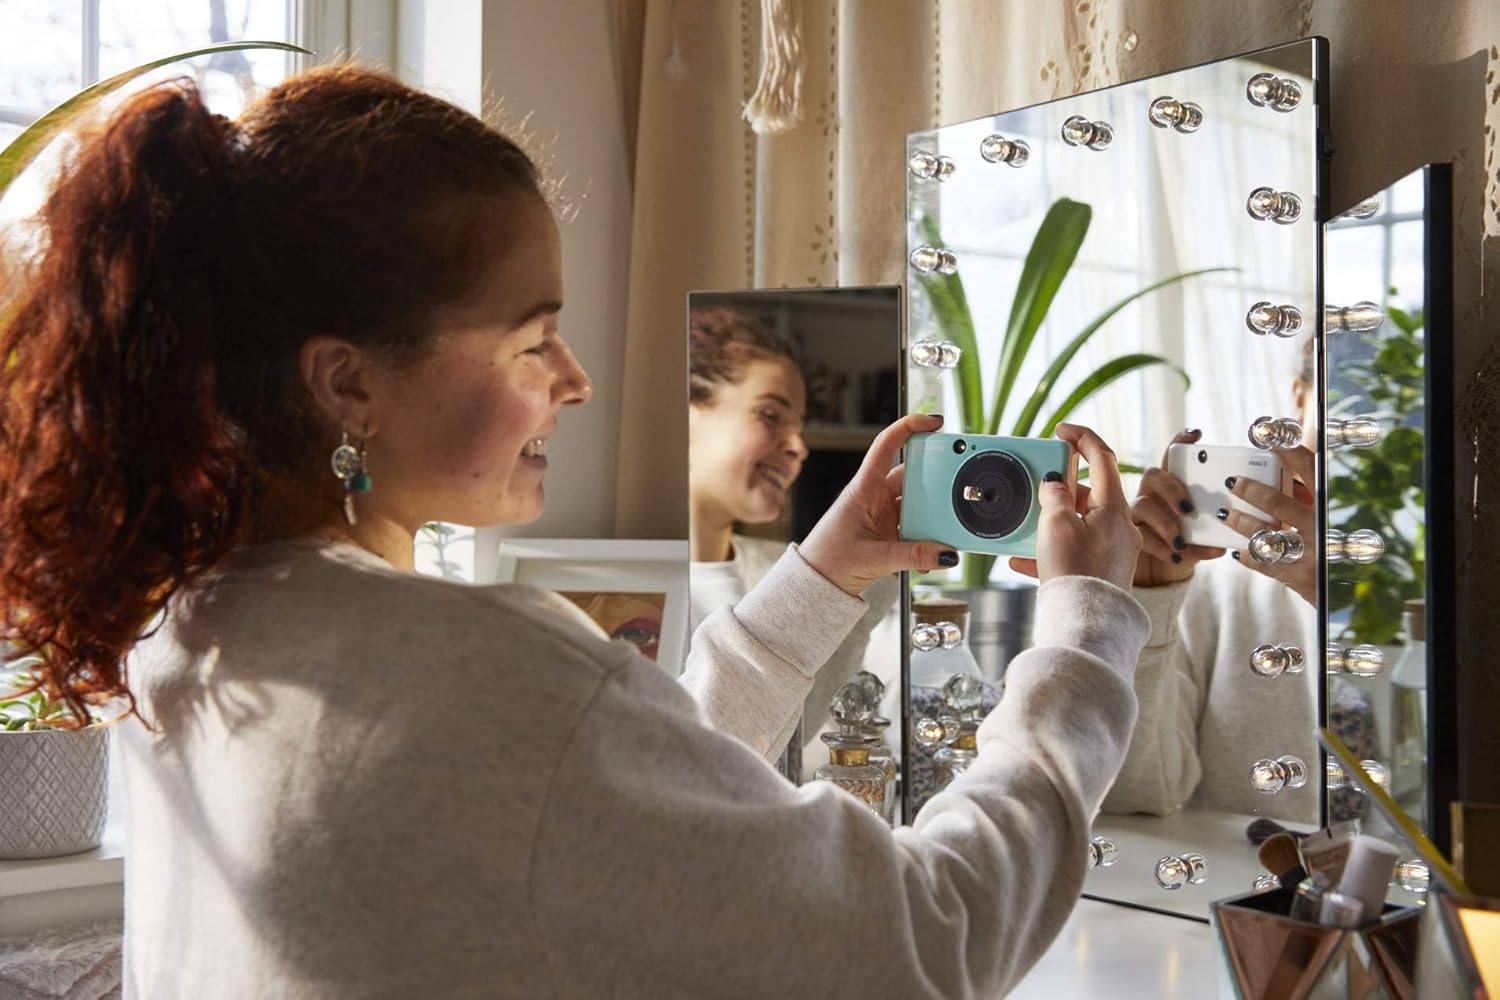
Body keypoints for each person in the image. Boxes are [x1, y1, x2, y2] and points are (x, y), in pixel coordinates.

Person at [0, 66, 1147, 997]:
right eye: (531, 339)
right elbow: (931, 944)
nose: (578, 378)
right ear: (349, 384)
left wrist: (821, 574)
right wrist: (1088, 629)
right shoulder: (473, 671)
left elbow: (591, 810)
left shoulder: (197, 628)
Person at [1105, 338, 1377, 823]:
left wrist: (1332, 599)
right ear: (1300, 398)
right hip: (1248, 867)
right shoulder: (1214, 578)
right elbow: (1131, 793)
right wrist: (1148, 600)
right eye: (1348, 387)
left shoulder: (1450, 572)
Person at [687, 305, 899, 780]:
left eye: (800, 427)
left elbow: (790, 741)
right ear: (687, 413)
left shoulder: (792, 574)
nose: (799, 446)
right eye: (770, 415)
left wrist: (869, 577)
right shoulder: (634, 590)